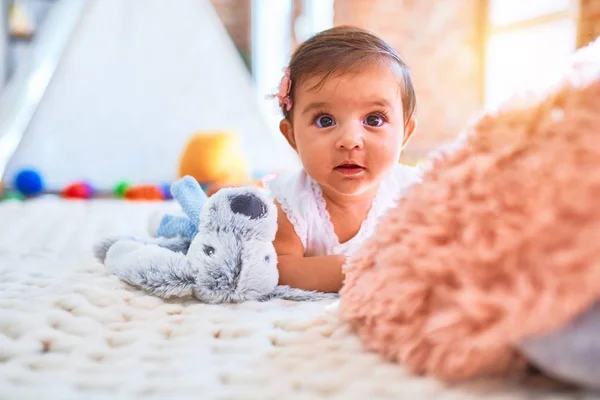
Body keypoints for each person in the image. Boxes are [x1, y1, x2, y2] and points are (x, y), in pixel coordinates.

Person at [268, 26, 421, 293]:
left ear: (405, 134)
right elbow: (275, 267)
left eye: (374, 119)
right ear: (292, 137)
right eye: (325, 120)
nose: (350, 140)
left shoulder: (414, 194)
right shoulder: (290, 203)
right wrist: (347, 270)